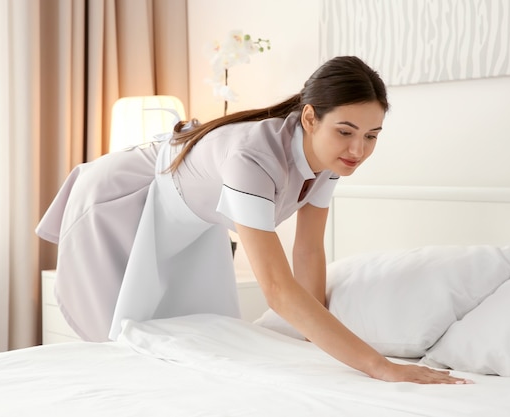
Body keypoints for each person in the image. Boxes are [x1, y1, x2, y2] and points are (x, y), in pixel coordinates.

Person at [36, 56, 472, 384]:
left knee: (175, 351)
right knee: (119, 346)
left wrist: (313, 344)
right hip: (122, 202)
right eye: (346, 131)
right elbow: (278, 289)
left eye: (371, 136)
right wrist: (378, 366)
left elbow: (308, 250)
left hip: (188, 220)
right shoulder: (252, 156)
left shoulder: (329, 162)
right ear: (309, 118)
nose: (358, 150)